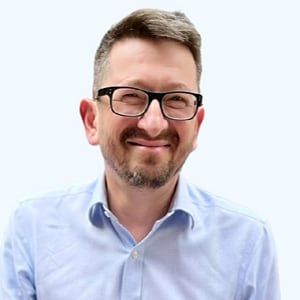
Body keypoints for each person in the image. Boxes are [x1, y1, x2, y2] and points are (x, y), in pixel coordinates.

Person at [0, 8, 280, 300]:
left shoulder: (248, 241)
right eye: (132, 96)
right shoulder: (31, 228)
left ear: (197, 126)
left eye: (177, 100)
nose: (154, 123)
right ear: (91, 120)